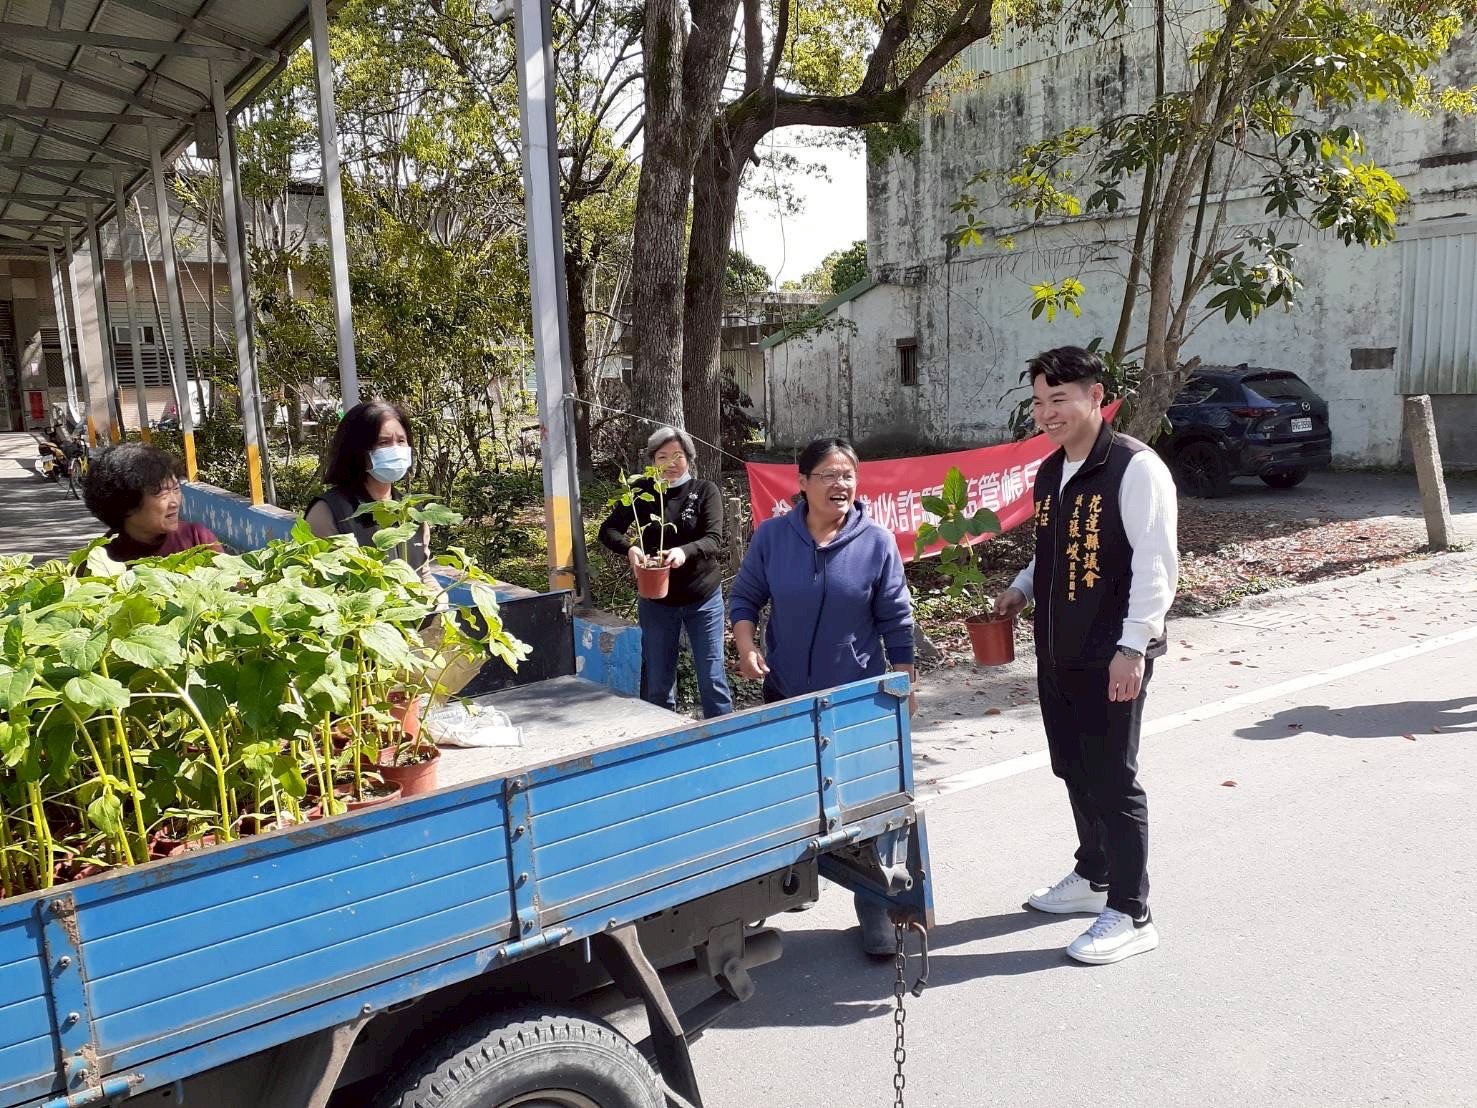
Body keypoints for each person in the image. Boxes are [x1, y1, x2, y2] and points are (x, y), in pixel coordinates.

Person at [995, 345, 1179, 966]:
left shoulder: (1134, 468)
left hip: (1110, 654)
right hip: (1058, 650)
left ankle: (1132, 910)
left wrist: (1134, 647)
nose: (1048, 412)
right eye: (1040, 401)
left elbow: (1157, 565)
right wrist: (1021, 590)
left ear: (1096, 398)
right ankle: (1093, 874)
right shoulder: (1054, 471)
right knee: (1073, 766)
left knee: (1112, 778)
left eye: (1061, 399)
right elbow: (1050, 553)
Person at [728, 436, 915, 955]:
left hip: (856, 701)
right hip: (786, 694)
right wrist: (746, 649)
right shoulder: (772, 538)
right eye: (829, 475)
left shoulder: (875, 541)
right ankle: (781, 889)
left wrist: (903, 682)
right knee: (786, 798)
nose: (841, 484)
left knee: (864, 808)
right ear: (803, 483)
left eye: (848, 475)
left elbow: (896, 619)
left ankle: (874, 907)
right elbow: (744, 598)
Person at [598, 427, 733, 718]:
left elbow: (713, 538)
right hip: (657, 600)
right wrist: (630, 548)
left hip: (702, 598)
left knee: (711, 677)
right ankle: (662, 736)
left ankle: (726, 740)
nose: (671, 463)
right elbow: (607, 530)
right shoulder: (643, 493)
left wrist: (683, 551)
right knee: (658, 680)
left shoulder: (704, 491)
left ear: (689, 459)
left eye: (678, 456)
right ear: (652, 461)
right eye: (662, 456)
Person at [306, 400, 437, 587]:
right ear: (357, 451)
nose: (396, 450)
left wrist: (440, 604)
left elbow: (423, 575)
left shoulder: (414, 512)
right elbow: (317, 584)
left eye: (401, 441)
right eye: (383, 442)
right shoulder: (330, 511)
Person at [83, 443, 222, 561]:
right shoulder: (101, 559)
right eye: (162, 493)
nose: (174, 502)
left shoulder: (197, 538)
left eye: (176, 488)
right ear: (126, 504)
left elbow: (235, 589)